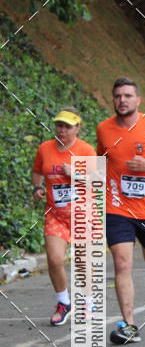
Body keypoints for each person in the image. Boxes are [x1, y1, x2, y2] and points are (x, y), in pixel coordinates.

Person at [97, 78, 145, 344]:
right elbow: (102, 162)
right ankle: (129, 324)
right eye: (118, 96)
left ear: (138, 100)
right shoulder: (103, 129)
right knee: (121, 262)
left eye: (128, 95)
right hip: (117, 207)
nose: (122, 100)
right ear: (113, 99)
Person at [32, 108, 96, 325]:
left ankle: (88, 302)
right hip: (55, 214)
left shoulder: (85, 150)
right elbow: (37, 171)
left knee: (82, 261)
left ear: (78, 128)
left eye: (67, 126)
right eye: (59, 125)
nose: (62, 130)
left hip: (82, 214)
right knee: (54, 259)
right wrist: (37, 188)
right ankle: (64, 302)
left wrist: (75, 174)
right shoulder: (45, 149)